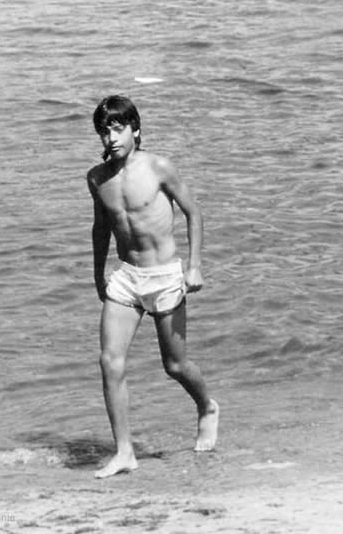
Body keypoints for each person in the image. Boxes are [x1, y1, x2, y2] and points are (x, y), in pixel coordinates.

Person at [87, 95, 219, 478]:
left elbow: (194, 211)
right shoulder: (97, 178)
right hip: (127, 278)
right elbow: (100, 229)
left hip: (164, 276)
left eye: (118, 128)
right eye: (104, 130)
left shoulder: (159, 167)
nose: (111, 137)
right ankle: (125, 452)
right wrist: (99, 275)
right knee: (109, 362)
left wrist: (194, 266)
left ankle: (207, 405)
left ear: (135, 130)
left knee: (174, 364)